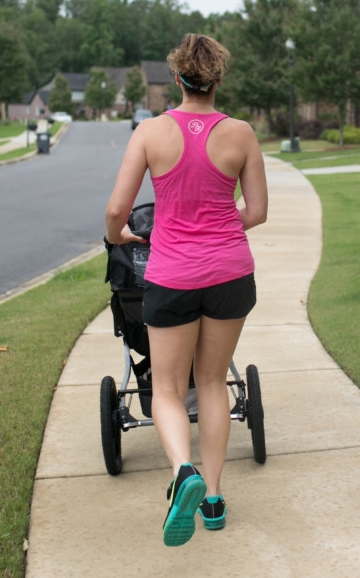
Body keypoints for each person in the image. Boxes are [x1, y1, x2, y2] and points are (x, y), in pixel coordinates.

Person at [105, 34, 268, 546]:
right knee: (214, 382)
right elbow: (257, 212)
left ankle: (183, 472)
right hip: (230, 274)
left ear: (176, 79)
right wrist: (217, 228)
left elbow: (116, 212)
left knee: (169, 390)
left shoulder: (151, 133)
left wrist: (120, 236)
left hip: (172, 275)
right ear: (219, 80)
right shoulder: (240, 133)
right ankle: (214, 499)